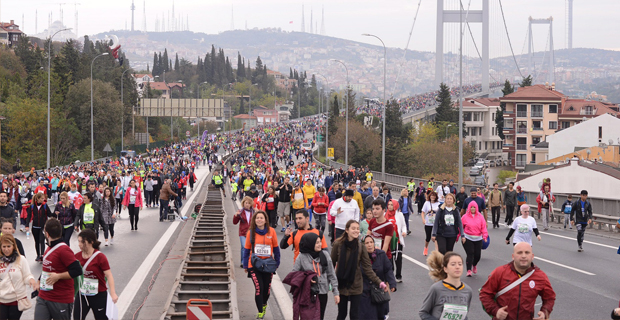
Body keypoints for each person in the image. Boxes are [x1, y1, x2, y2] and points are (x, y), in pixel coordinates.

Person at [480, 242, 556, 320]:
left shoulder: (540, 276)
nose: (523, 256)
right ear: (513, 256)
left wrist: (544, 312)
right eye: (519, 253)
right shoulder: (500, 272)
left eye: (527, 252)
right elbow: (485, 293)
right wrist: (495, 311)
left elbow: (550, 297)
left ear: (532, 256)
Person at [330, 220, 387, 320]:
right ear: (347, 230)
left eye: (357, 228)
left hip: (356, 284)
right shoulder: (338, 244)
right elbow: (331, 264)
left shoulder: (361, 247)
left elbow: (367, 268)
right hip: (341, 284)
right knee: (342, 314)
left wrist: (379, 282)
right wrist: (331, 281)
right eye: (353, 228)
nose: (356, 231)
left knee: (355, 315)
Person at [35, 218, 83, 320]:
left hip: (61, 299)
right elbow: (47, 268)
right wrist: (39, 280)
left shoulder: (64, 250)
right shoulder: (50, 247)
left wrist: (58, 276)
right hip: (44, 296)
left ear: (47, 234)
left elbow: (77, 270)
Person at [290, 233, 340, 320]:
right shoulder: (301, 257)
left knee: (319, 317)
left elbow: (331, 274)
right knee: (307, 316)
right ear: (310, 243)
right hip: (307, 293)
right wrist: (307, 279)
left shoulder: (325, 255)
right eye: (317, 243)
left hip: (322, 293)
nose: (320, 244)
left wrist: (336, 293)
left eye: (320, 242)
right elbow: (294, 275)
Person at [242, 211, 280, 319]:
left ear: (265, 220)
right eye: (257, 218)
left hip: (268, 265)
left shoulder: (271, 231)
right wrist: (245, 265)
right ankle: (260, 312)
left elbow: (276, 249)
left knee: (266, 290)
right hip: (254, 265)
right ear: (254, 220)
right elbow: (246, 250)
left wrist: (277, 263)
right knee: (259, 288)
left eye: (261, 218)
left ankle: (264, 305)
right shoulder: (251, 232)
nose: (259, 220)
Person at [74, 229, 118, 320]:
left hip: (99, 295)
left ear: (91, 242)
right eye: (78, 241)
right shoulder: (76, 257)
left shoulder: (100, 257)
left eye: (82, 242)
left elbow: (109, 275)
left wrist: (113, 293)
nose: (79, 244)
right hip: (83, 295)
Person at [419, 251, 472, 320]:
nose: (457, 267)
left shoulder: (468, 290)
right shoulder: (436, 289)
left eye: (460, 264)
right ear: (445, 269)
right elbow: (423, 313)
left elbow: (464, 315)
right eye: (453, 264)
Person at [359, 236, 397, 320]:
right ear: (363, 245)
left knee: (380, 315)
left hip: (379, 291)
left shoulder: (381, 254)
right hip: (365, 291)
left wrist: (392, 284)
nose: (369, 245)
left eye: (371, 242)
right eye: (367, 243)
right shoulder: (359, 257)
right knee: (367, 316)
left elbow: (388, 270)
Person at [0, 234, 36, 320]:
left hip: (16, 300)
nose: (6, 249)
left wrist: (31, 280)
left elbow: (27, 275)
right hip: (1, 299)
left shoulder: (21, 259)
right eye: (4, 246)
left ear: (13, 246)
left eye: (9, 246)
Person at [461, 201, 488, 277]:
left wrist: (485, 236)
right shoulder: (465, 217)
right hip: (467, 237)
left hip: (478, 238)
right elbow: (460, 227)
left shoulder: (480, 217)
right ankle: (469, 270)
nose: (472, 209)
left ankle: (474, 264)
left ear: (476, 208)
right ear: (469, 208)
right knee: (470, 253)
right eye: (471, 207)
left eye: (474, 207)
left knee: (477, 255)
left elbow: (483, 227)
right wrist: (459, 236)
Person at [25, 193, 54, 262]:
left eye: (43, 198)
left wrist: (55, 214)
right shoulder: (32, 206)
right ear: (37, 199)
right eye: (41, 198)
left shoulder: (45, 206)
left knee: (42, 240)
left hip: (43, 227)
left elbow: (50, 214)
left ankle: (42, 255)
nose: (43, 199)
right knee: (37, 241)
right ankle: (38, 255)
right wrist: (27, 225)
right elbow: (29, 216)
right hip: (35, 227)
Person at [386, 199, 407, 283]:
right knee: (389, 259)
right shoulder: (385, 215)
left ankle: (398, 275)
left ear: (395, 206)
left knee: (398, 259)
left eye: (391, 205)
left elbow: (403, 225)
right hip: (388, 241)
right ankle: (391, 275)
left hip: (398, 241)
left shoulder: (400, 215)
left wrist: (404, 231)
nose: (390, 206)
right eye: (389, 204)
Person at [233, 197, 254, 268]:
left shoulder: (253, 212)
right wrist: (236, 216)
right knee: (244, 246)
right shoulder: (241, 212)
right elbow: (235, 222)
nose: (247, 205)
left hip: (251, 233)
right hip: (243, 232)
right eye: (246, 203)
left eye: (249, 203)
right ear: (243, 203)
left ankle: (249, 261)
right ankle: (243, 262)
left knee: (250, 247)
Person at [421, 191, 440, 256]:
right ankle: (426, 248)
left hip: (435, 223)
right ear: (430, 196)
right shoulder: (427, 203)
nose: (433, 197)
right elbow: (423, 212)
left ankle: (436, 251)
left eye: (434, 196)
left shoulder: (438, 203)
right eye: (432, 196)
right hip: (428, 223)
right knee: (428, 237)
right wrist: (423, 219)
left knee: (436, 237)